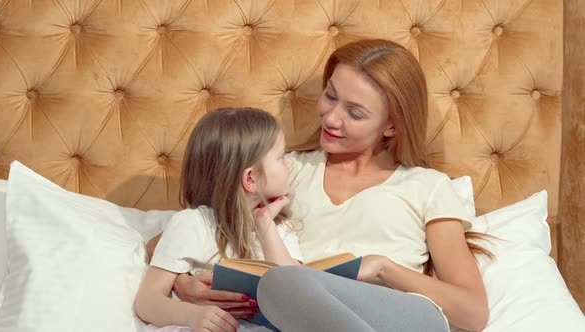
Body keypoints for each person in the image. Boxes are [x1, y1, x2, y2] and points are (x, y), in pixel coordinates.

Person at [152, 39, 491, 332]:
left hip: (401, 318)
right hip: (295, 310)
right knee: (281, 284)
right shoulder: (282, 170)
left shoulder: (427, 187)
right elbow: (173, 238)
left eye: (355, 113)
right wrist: (184, 284)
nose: (330, 118)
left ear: (391, 126)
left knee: (283, 282)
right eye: (330, 96)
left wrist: (383, 266)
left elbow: (472, 314)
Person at [135, 108, 301, 332]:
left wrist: (265, 226)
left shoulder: (280, 228)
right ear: (250, 179)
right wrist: (194, 316)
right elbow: (147, 301)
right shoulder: (193, 224)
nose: (290, 163)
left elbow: (296, 293)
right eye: (281, 157)